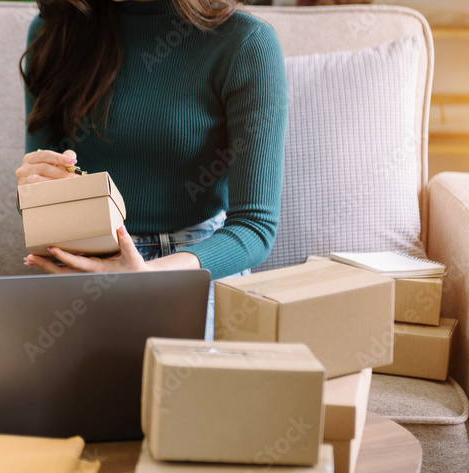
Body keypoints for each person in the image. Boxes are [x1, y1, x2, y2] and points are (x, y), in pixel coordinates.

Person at [15, 0, 289, 325]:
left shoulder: (245, 42)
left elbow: (255, 226)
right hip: (88, 258)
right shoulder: (59, 26)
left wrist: (146, 274)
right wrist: (34, 192)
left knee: (168, 368)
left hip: (195, 261)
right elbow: (39, 200)